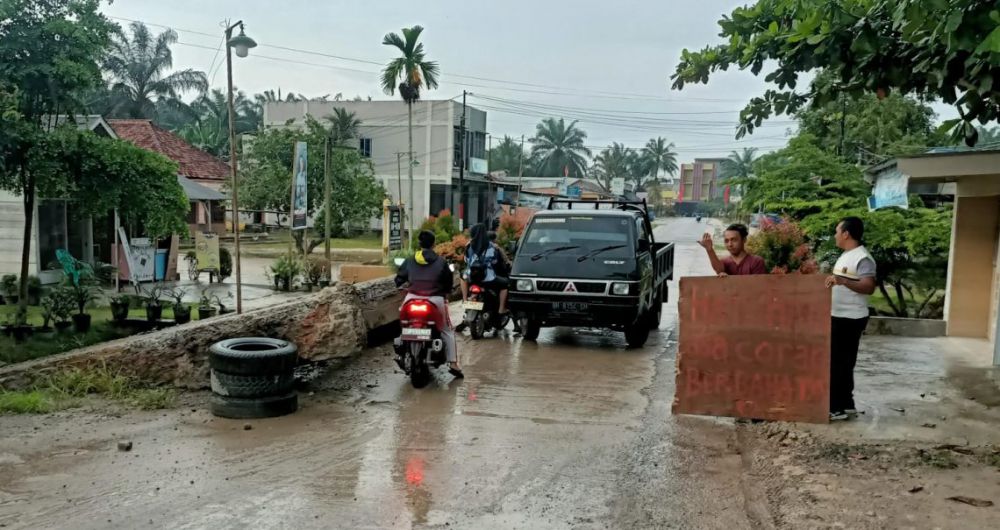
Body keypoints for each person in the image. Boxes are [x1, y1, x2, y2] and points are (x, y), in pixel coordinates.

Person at [824, 216, 876, 421]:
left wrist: (843, 281)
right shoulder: (847, 255)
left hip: (850, 318)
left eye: (837, 231)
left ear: (846, 234)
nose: (835, 235)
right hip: (839, 316)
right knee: (842, 362)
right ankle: (846, 404)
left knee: (839, 363)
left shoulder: (862, 257)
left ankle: (835, 407)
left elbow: (868, 286)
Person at [394, 230, 463, 378]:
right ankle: (453, 363)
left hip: (412, 297)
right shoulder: (441, 261)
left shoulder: (410, 260)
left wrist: (401, 284)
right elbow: (448, 284)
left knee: (404, 323)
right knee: (446, 330)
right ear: (434, 244)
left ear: (419, 244)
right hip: (434, 299)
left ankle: (401, 347)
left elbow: (399, 279)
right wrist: (445, 292)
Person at [698, 223, 767, 276]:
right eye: (726, 241)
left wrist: (730, 281)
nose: (730, 244)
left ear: (744, 240)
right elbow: (719, 270)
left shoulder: (757, 262)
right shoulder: (724, 262)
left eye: (734, 240)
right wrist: (709, 249)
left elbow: (758, 287)